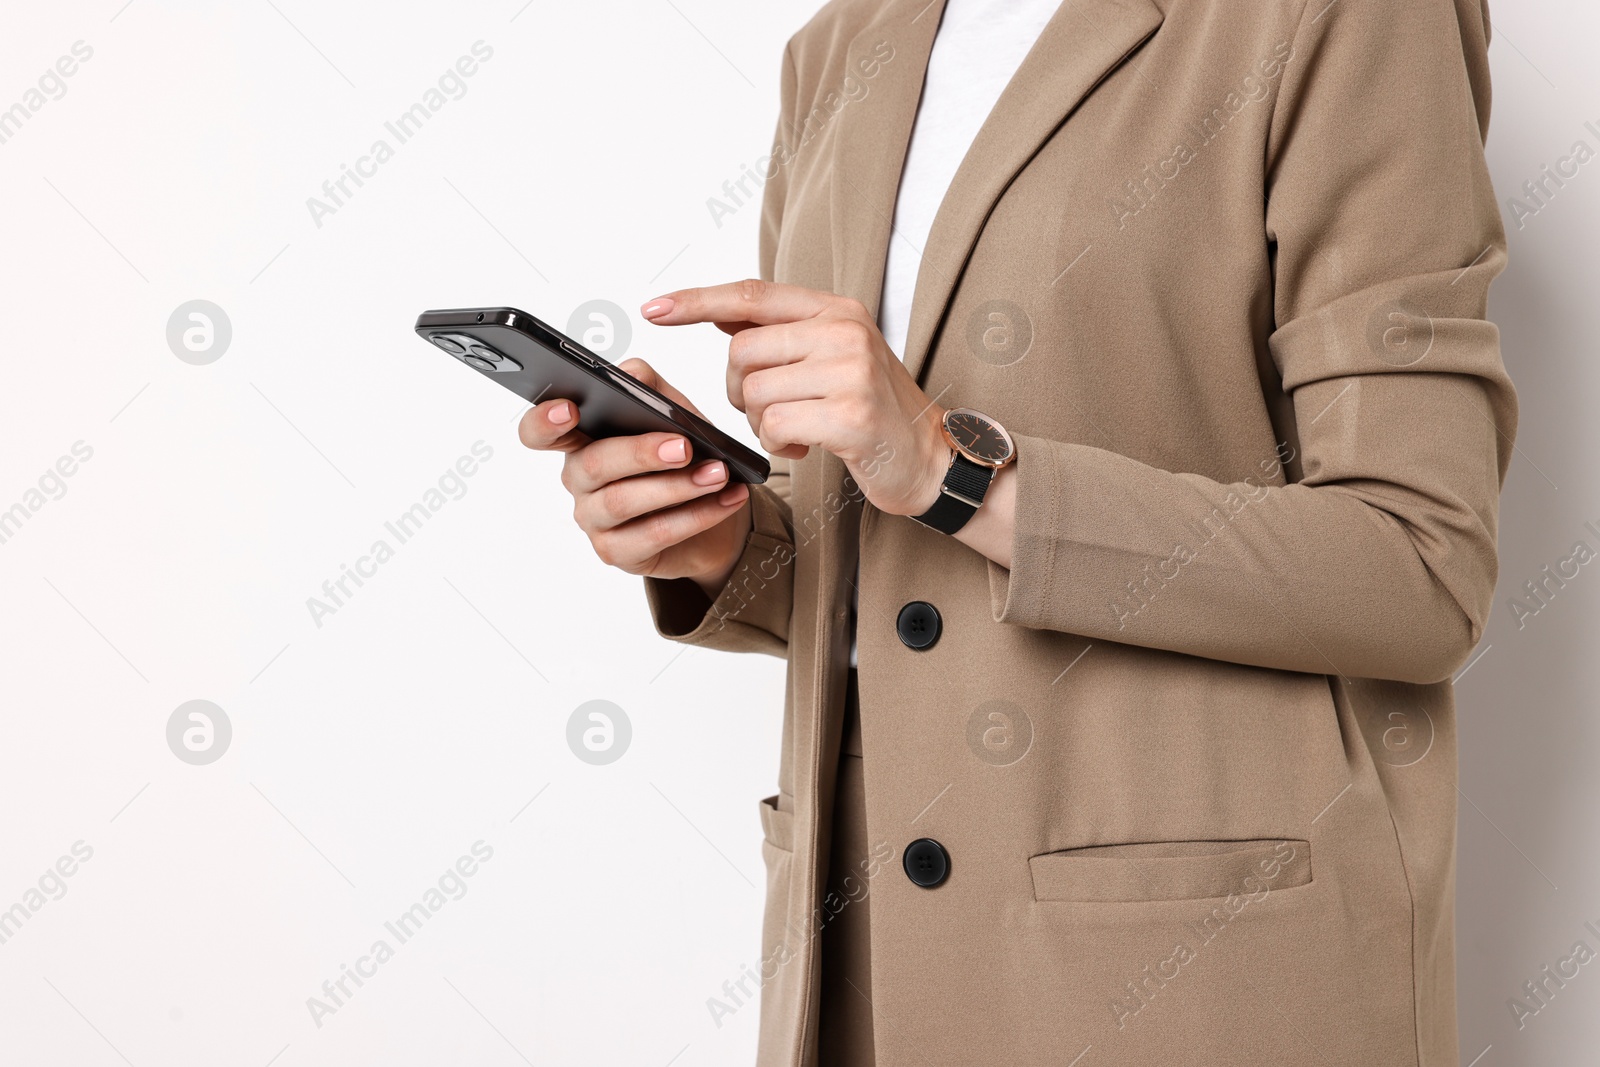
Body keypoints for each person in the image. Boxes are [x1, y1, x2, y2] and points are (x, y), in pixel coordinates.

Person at [521, 0, 1515, 1062]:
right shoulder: (839, 48)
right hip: (865, 972)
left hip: (1193, 986)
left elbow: (1417, 565)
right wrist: (716, 544)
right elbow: (899, 583)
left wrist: (955, 470)